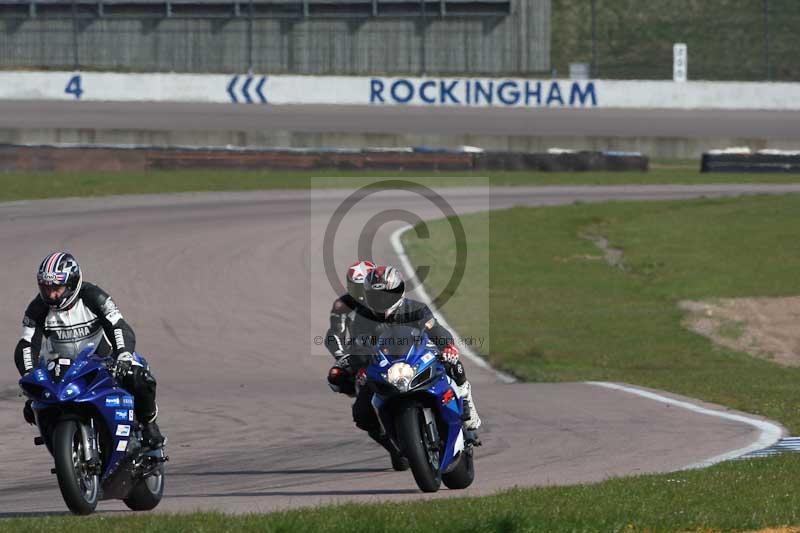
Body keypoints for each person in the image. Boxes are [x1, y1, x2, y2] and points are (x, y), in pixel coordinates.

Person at [13, 252, 165, 449]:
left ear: (72, 283)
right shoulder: (37, 308)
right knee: (36, 404)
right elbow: (27, 344)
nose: (51, 295)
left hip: (104, 360)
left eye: (56, 288)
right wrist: (30, 376)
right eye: (46, 288)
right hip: (64, 368)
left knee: (139, 377)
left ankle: (149, 424)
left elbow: (118, 326)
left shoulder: (94, 296)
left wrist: (124, 356)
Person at [349, 265, 481, 466]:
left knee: (454, 364)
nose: (382, 300)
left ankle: (467, 407)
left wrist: (447, 346)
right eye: (377, 296)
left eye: (387, 294)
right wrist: (360, 367)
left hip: (420, 360)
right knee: (361, 411)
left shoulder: (415, 309)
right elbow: (357, 347)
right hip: (386, 370)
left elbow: (436, 330)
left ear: (399, 291)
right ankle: (395, 448)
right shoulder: (362, 318)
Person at [325, 260, 376, 397]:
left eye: (362, 287)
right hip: (359, 354)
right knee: (336, 377)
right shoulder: (342, 305)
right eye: (355, 288)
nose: (359, 293)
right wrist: (341, 356)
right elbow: (334, 334)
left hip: (390, 351)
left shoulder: (387, 300)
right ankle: (362, 400)